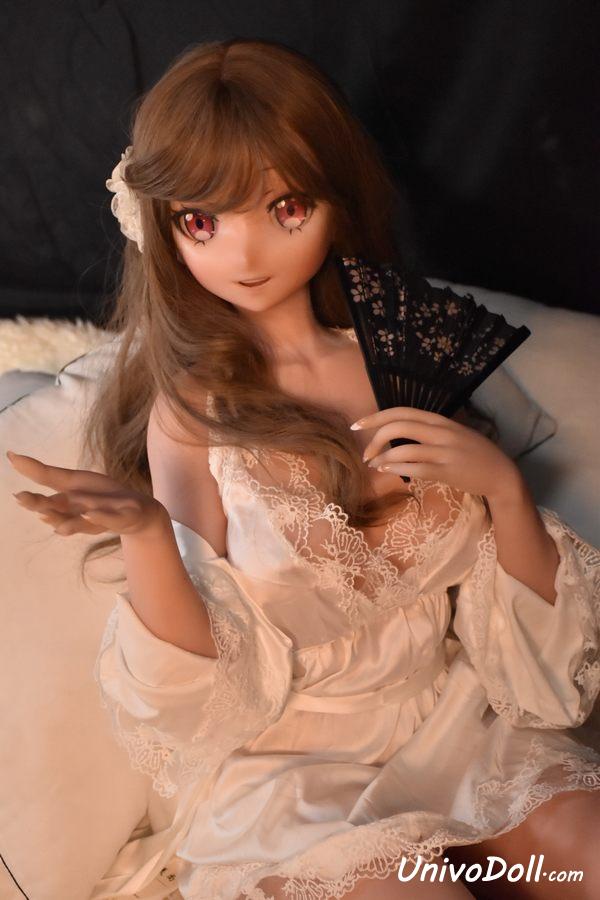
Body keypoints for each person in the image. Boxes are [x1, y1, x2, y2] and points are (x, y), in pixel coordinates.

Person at [6, 38, 600, 900]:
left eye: (286, 207)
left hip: (455, 729)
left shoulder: (398, 355)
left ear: (334, 200)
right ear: (163, 227)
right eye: (204, 222)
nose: (247, 254)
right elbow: (204, 687)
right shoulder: (196, 411)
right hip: (295, 777)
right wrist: (147, 533)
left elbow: (529, 661)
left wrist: (503, 491)